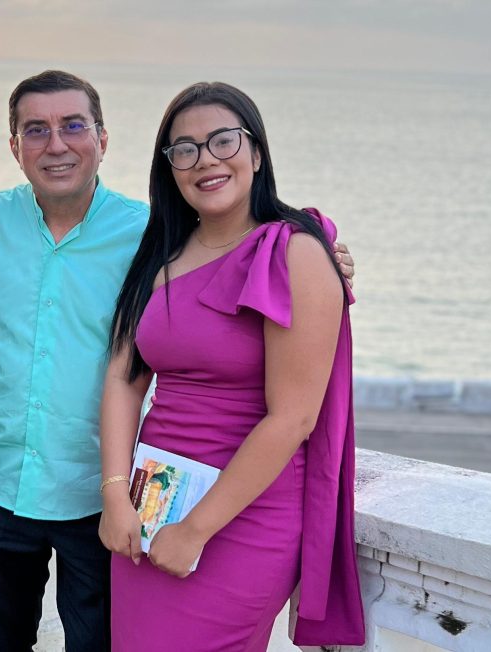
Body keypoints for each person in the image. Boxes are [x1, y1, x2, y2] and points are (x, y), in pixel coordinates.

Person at [0, 71, 355, 651]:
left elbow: (234, 257)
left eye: (73, 126)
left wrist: (320, 259)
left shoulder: (149, 235)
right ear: (15, 147)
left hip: (102, 496)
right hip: (0, 488)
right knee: (0, 643)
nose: (56, 144)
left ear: (102, 139)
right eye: (36, 130)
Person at [98, 82, 365, 650]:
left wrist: (196, 530)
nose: (206, 160)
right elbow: (124, 379)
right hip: (152, 507)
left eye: (223, 141)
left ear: (257, 153)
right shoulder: (160, 253)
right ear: (169, 167)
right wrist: (116, 495)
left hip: (244, 519)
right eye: (185, 149)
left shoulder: (293, 252)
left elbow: (293, 418)